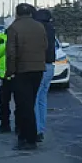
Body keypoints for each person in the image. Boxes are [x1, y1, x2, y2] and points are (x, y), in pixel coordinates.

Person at [5, 3, 48, 149]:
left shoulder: (13, 28)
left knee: (24, 105)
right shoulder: (39, 27)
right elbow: (45, 46)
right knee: (30, 101)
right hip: (38, 69)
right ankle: (25, 136)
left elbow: (11, 54)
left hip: (21, 70)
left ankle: (29, 138)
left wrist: (10, 72)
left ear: (17, 14)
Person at [33, 8, 56, 142]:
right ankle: (41, 128)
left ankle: (36, 129)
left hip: (39, 66)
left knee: (35, 98)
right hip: (50, 66)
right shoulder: (51, 28)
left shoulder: (38, 29)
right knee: (42, 99)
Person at [0, 16, 15, 134]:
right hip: (4, 76)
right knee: (4, 103)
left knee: (21, 103)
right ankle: (5, 124)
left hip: (17, 74)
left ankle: (20, 126)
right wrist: (6, 44)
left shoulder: (19, 37)